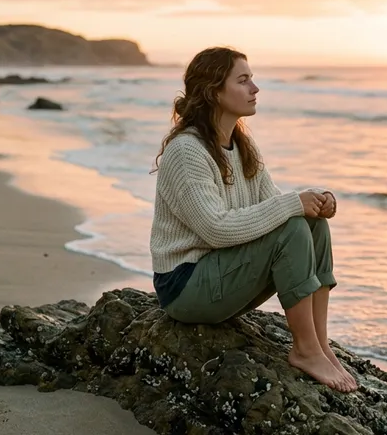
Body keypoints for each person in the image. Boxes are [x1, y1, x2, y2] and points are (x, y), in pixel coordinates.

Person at [150, 47, 357, 393]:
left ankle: (319, 344)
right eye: (243, 80)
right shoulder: (187, 151)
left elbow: (273, 203)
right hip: (185, 285)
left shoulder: (243, 145)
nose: (255, 88)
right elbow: (215, 229)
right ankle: (305, 350)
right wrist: (295, 204)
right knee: (292, 223)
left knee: (311, 225)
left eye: (252, 79)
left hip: (223, 274)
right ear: (214, 91)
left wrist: (317, 200)